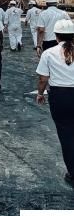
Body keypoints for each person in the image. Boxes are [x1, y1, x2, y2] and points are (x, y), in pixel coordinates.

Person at [36, 19, 74, 188]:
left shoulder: (49, 53)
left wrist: (40, 93)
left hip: (60, 97)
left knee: (66, 135)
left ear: (56, 36)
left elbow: (43, 79)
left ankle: (73, 173)